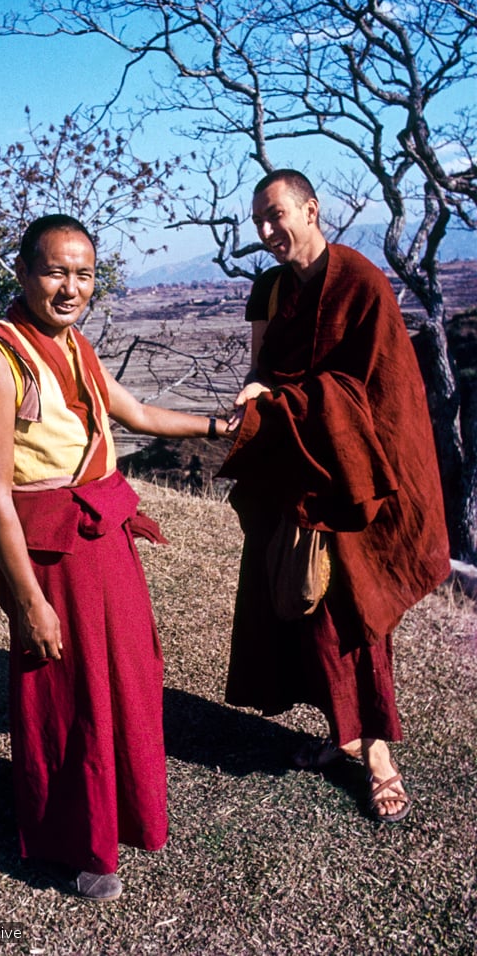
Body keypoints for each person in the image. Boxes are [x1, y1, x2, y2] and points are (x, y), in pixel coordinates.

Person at [0, 214, 229, 901]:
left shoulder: (75, 344)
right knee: (67, 693)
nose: (70, 286)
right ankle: (71, 842)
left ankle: (126, 811)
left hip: (101, 537)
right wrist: (28, 602)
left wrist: (215, 425)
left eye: (83, 274)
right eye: (55, 271)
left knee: (128, 676)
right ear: (23, 272)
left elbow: (134, 412)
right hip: (50, 549)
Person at [221, 169, 450, 823]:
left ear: (311, 209)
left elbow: (382, 392)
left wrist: (285, 402)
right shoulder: (269, 288)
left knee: (355, 614)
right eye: (259, 221)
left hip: (352, 472)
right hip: (296, 461)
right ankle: (336, 730)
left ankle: (378, 758)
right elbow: (262, 369)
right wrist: (260, 400)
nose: (267, 232)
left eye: (277, 216)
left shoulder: (361, 283)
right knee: (305, 606)